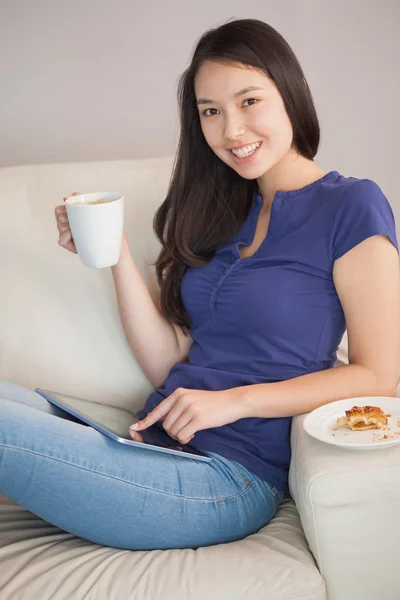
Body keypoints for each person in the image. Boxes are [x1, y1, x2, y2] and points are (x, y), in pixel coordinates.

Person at [1, 17, 399, 551]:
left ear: (293, 92)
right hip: (148, 445)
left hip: (226, 479)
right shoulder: (222, 213)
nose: (231, 130)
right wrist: (114, 251)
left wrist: (236, 401)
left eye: (249, 101)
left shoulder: (351, 205)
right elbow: (172, 363)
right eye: (211, 111)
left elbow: (377, 374)